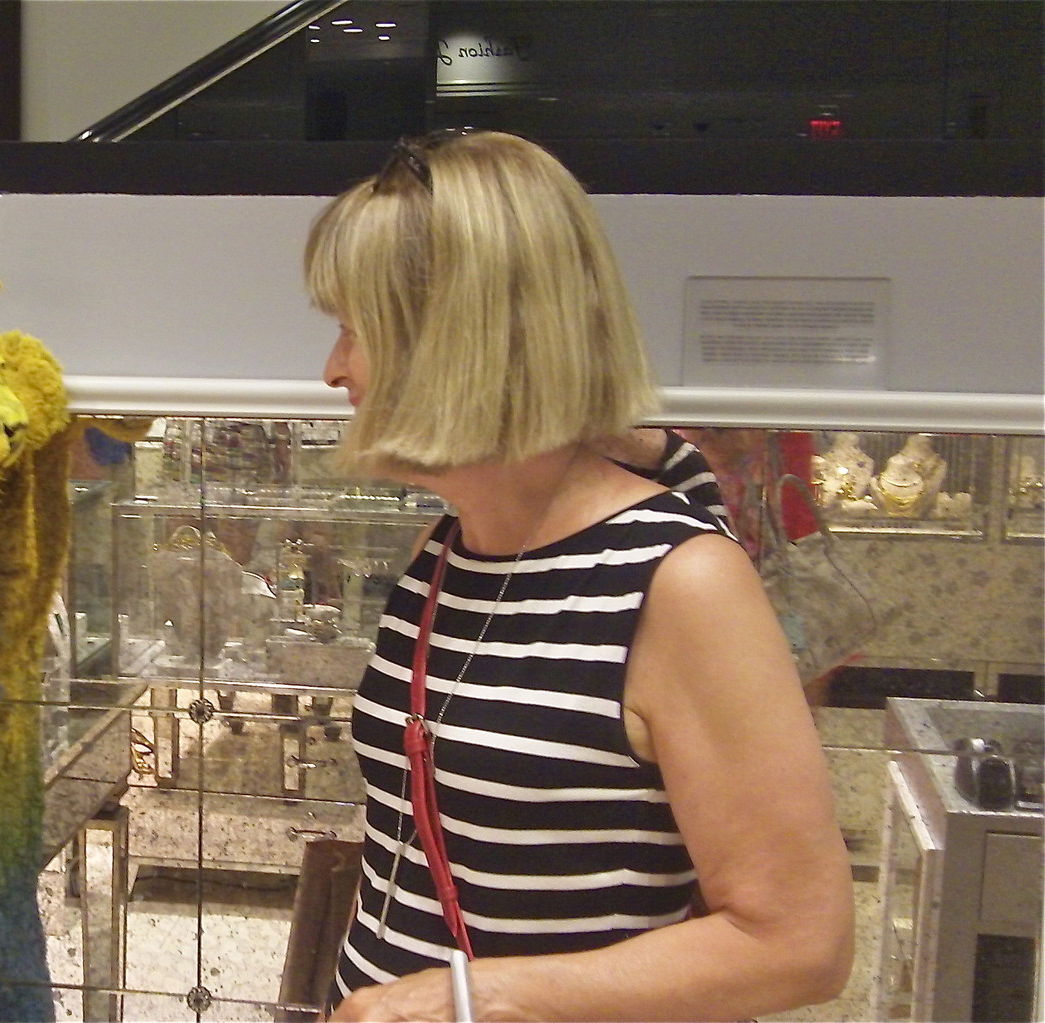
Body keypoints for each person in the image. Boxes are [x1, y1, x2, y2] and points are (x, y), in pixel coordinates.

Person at [307, 130, 853, 1021]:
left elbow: (799, 941)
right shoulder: (444, 553)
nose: (334, 369)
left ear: (455, 340)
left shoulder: (679, 584)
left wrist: (472, 999)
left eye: (355, 330)